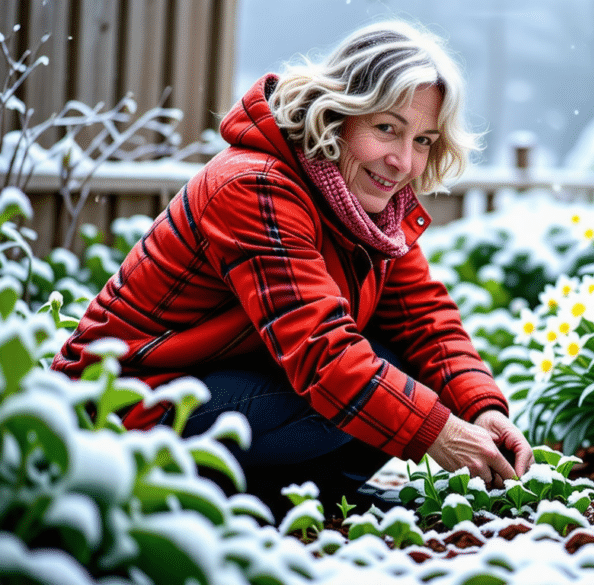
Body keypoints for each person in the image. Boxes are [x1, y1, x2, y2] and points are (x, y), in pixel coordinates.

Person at [51, 19, 533, 518]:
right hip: (122, 410)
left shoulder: (368, 206)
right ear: (336, 114)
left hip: (216, 388)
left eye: (424, 140)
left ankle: (304, 495)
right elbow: (321, 354)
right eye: (387, 128)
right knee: (352, 387)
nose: (403, 162)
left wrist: (482, 409)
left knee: (402, 364)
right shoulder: (253, 187)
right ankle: (200, 495)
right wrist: (442, 432)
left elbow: (425, 319)